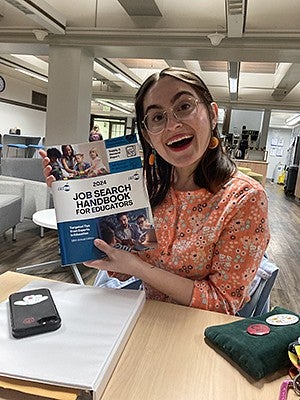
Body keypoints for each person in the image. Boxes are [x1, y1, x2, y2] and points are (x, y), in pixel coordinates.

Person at [40, 67, 270, 315]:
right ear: (148, 137)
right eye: (157, 118)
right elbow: (119, 264)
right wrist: (71, 198)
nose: (172, 124)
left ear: (213, 115)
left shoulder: (244, 198)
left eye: (184, 106)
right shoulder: (146, 186)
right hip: (144, 316)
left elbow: (223, 303)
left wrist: (138, 269)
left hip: (198, 330)